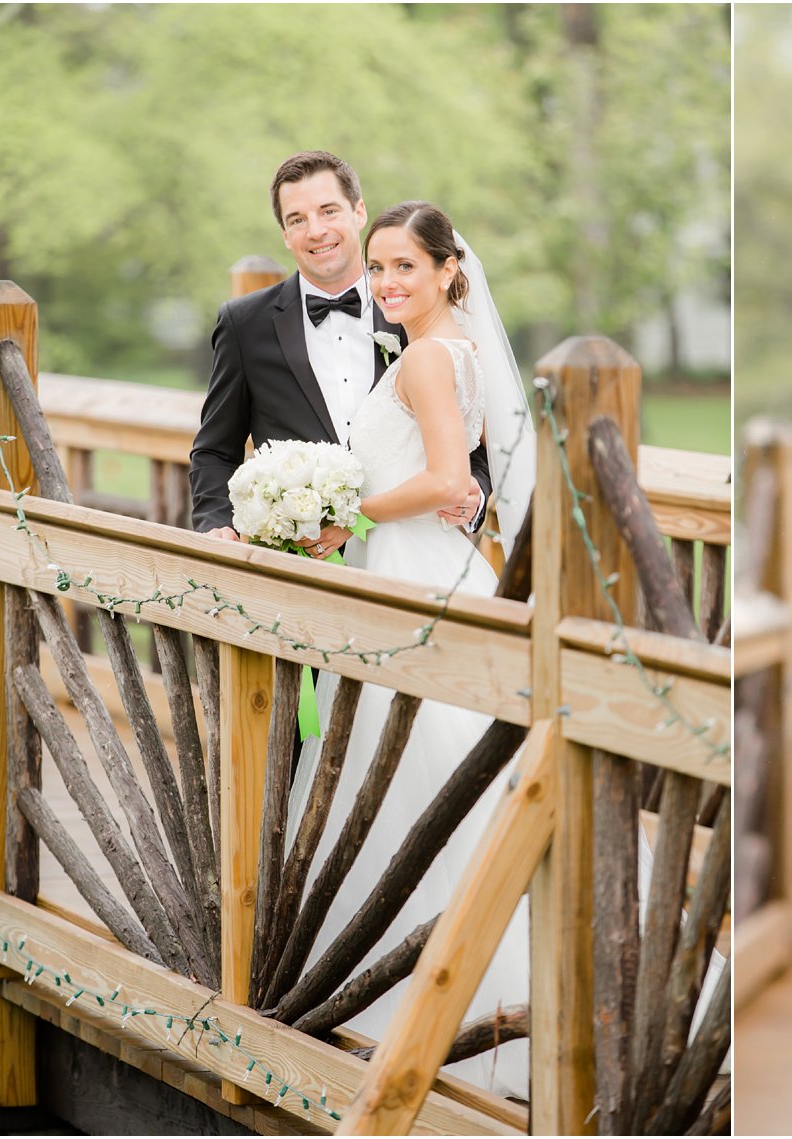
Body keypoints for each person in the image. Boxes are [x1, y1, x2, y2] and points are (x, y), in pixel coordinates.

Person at [283, 200, 538, 1099]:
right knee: (430, 761)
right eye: (380, 267)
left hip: (406, 569)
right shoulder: (453, 349)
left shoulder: (429, 356)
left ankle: (414, 993)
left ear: (448, 273)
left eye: (405, 268)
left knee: (418, 761)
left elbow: (447, 479)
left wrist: (343, 510)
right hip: (428, 560)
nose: (388, 283)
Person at [188, 151, 489, 544]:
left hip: (404, 546)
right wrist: (217, 525)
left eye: (329, 211)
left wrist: (477, 493)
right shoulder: (244, 324)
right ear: (284, 233)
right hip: (296, 563)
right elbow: (215, 451)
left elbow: (472, 433)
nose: (316, 230)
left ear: (359, 212)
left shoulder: (417, 311)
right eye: (297, 219)